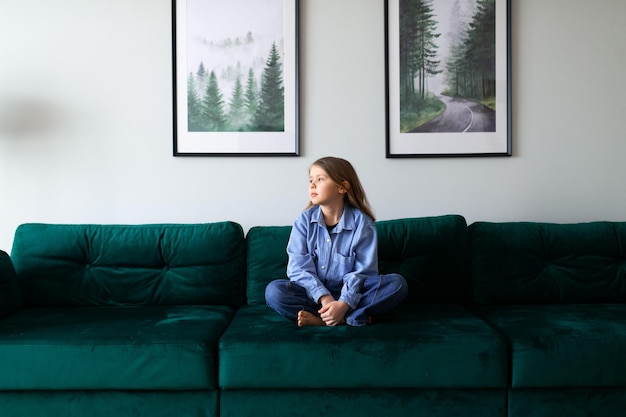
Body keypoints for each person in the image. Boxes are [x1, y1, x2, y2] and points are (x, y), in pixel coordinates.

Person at [265, 156, 408, 327]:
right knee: (274, 291)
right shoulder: (303, 221)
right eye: (311, 180)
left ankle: (331, 318)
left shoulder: (363, 224)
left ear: (342, 187)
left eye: (320, 179)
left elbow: (364, 272)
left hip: (353, 295)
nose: (312, 185)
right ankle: (347, 318)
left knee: (397, 284)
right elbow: (298, 268)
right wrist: (325, 298)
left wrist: (343, 303)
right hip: (313, 296)